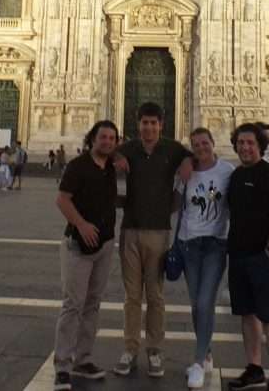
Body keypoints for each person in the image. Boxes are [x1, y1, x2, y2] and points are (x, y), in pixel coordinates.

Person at [111, 102, 192, 379]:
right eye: (144, 123)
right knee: (131, 296)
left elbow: (194, 158)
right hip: (130, 230)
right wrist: (115, 158)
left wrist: (174, 201)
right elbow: (100, 150)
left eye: (153, 123)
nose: (149, 127)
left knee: (155, 295)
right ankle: (130, 349)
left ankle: (155, 350)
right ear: (139, 124)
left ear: (161, 125)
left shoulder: (172, 148)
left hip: (158, 232)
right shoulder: (129, 148)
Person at [52, 121, 120, 390]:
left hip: (104, 245)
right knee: (73, 305)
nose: (107, 141)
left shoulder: (111, 167)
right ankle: (62, 366)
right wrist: (81, 224)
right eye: (102, 137)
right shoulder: (78, 166)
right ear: (93, 139)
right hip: (77, 245)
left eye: (111, 138)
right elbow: (62, 199)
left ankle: (83, 358)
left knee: (92, 303)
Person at [225, 122, 269, 391]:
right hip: (238, 255)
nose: (245, 147)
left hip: (262, 257)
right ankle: (254, 368)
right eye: (241, 143)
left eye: (250, 143)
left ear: (260, 146)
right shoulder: (237, 176)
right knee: (247, 315)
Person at [179, 128, 234, 388]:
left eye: (205, 143)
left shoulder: (227, 172)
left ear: (213, 143)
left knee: (204, 302)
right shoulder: (188, 172)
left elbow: (237, 207)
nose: (201, 147)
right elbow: (176, 202)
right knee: (196, 304)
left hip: (215, 245)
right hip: (189, 244)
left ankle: (199, 362)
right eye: (196, 144)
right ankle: (207, 351)